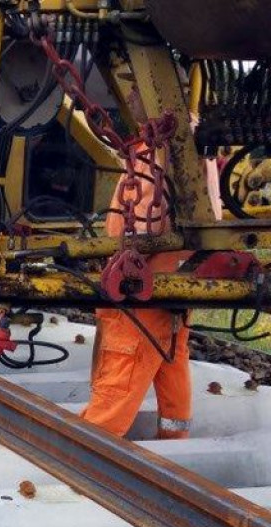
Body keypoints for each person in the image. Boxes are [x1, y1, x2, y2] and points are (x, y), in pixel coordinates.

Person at [80, 83, 222, 440]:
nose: (127, 96)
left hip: (142, 288)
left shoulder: (163, 147)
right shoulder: (189, 143)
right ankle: (173, 449)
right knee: (171, 370)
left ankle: (83, 463)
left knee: (117, 386)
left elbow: (142, 227)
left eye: (135, 86)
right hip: (171, 286)